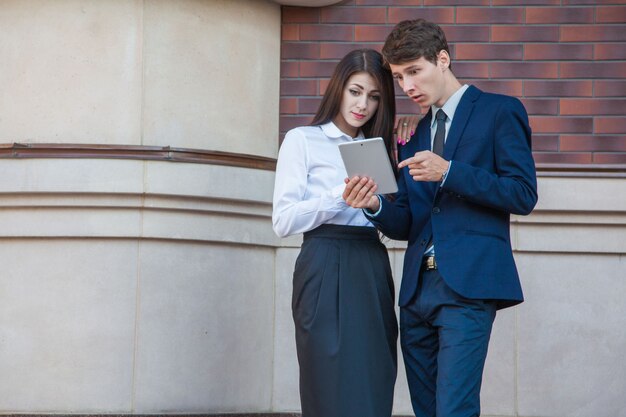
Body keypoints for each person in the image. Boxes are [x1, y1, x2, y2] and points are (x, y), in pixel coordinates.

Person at [343, 20, 538, 417]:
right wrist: (373, 204)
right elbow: (407, 222)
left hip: (468, 287)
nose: (407, 86)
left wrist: (448, 171)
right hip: (416, 292)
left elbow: (522, 193)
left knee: (455, 410)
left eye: (414, 71)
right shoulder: (413, 133)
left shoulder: (500, 111)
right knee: (426, 410)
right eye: (399, 77)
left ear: (443, 59)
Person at [272, 48, 417, 417]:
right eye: (355, 91)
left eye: (374, 96)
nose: (362, 105)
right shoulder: (303, 140)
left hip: (370, 263)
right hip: (323, 262)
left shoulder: (382, 147)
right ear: (338, 88)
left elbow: (400, 222)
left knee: (374, 375)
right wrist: (340, 196)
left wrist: (409, 143)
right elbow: (283, 220)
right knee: (328, 378)